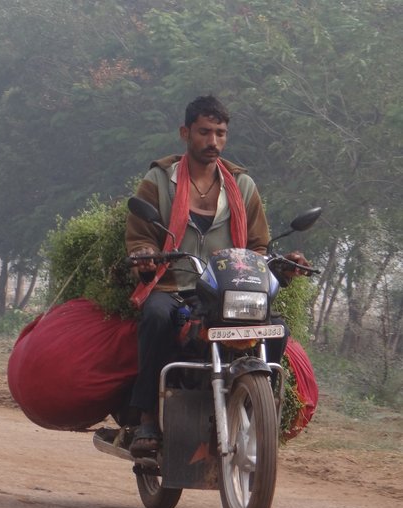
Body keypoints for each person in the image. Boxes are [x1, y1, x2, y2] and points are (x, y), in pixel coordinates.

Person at [125, 95, 308, 457]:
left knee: (277, 328)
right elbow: (140, 236)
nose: (213, 142)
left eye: (220, 133)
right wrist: (145, 254)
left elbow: (258, 246)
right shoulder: (159, 180)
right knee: (158, 317)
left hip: (228, 290)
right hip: (174, 285)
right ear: (185, 132)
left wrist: (279, 263)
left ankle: (260, 405)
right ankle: (146, 416)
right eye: (204, 132)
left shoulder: (242, 186)